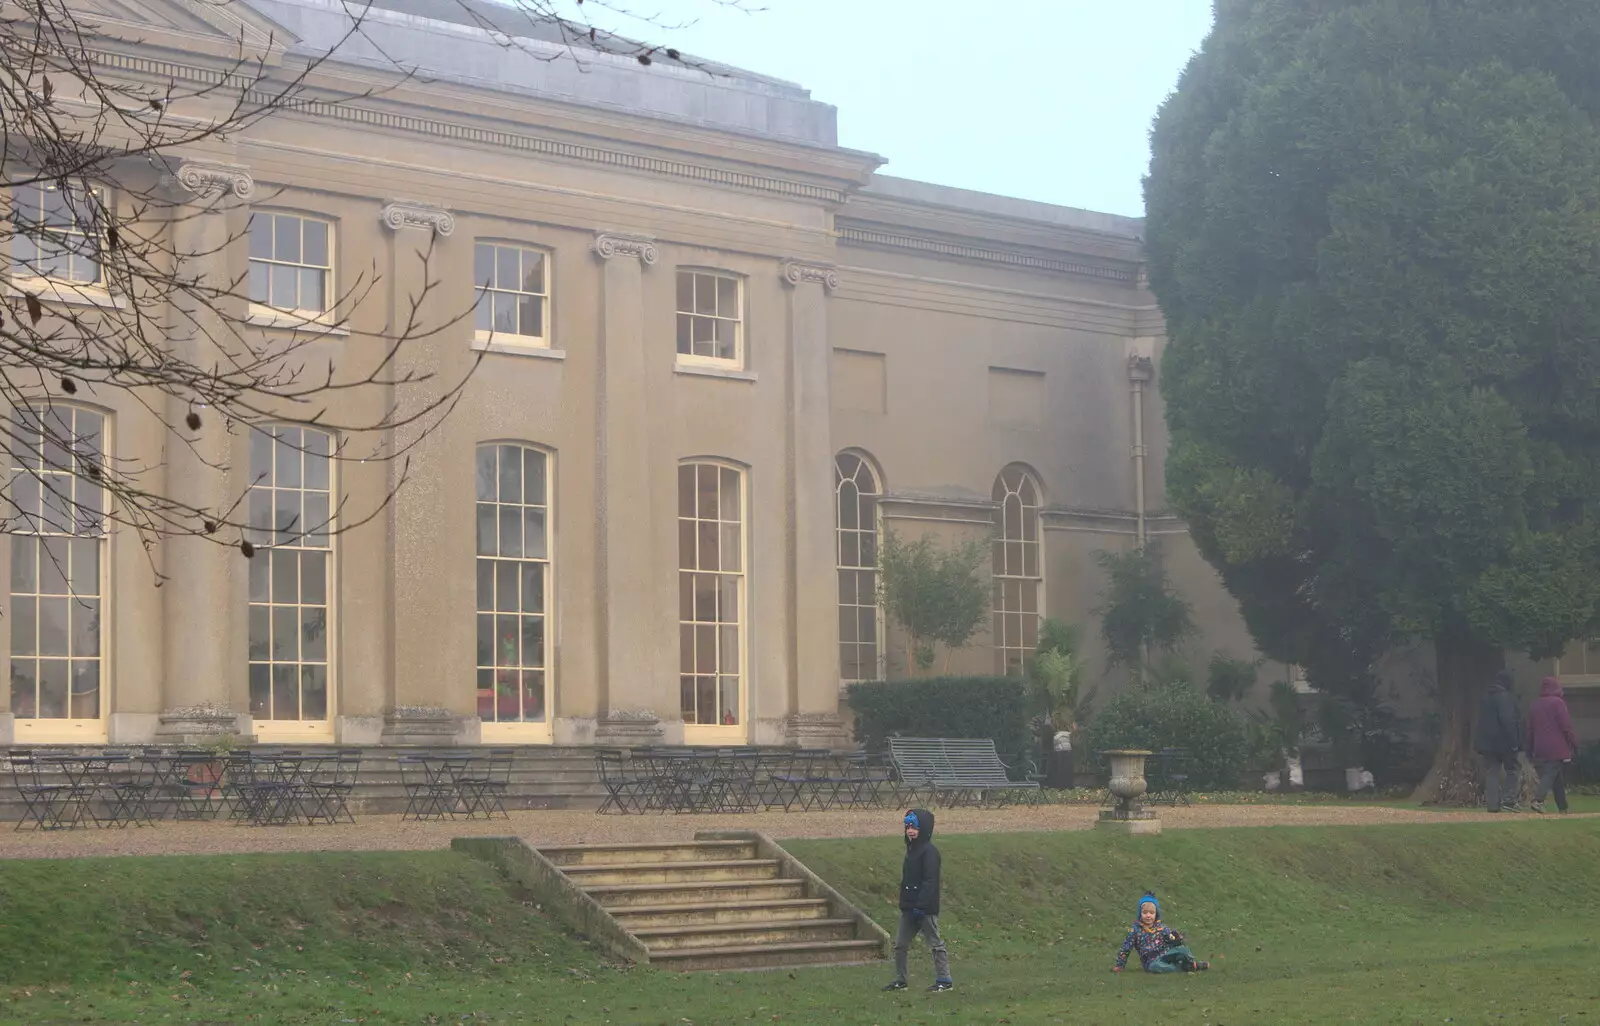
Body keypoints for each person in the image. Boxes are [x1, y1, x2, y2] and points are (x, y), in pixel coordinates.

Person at [882, 809, 952, 993]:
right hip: (909, 907)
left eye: (914, 827)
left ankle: (944, 979)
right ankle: (900, 980)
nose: (911, 831)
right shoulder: (910, 850)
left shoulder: (930, 852)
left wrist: (921, 905)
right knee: (900, 945)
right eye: (908, 827)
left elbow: (930, 882)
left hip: (925, 908)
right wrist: (906, 903)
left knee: (935, 944)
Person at [1113, 893, 1209, 973]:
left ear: (1156, 914)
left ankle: (1192, 963)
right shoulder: (1135, 931)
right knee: (1155, 967)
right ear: (1140, 914)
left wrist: (1177, 939)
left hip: (1166, 954)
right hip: (1151, 961)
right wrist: (1120, 965)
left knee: (1183, 950)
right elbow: (1126, 948)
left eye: (1151, 913)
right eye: (1145, 912)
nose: (1148, 916)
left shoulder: (1162, 928)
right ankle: (1182, 968)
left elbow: (1172, 940)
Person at [1474, 669, 1524, 813]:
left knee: (1492, 772)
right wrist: (1515, 741)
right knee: (1513, 770)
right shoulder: (1505, 697)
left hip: (1487, 744)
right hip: (1504, 743)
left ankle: (1492, 804)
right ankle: (1509, 800)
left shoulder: (1486, 697)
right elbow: (1507, 720)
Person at [1526, 676, 1578, 814]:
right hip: (1557, 747)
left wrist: (1529, 750)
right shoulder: (1558, 703)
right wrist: (1574, 743)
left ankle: (1563, 808)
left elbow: (1530, 730)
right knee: (1550, 773)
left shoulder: (1535, 705)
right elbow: (1566, 726)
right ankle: (1538, 800)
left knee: (1556, 777)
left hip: (1539, 748)